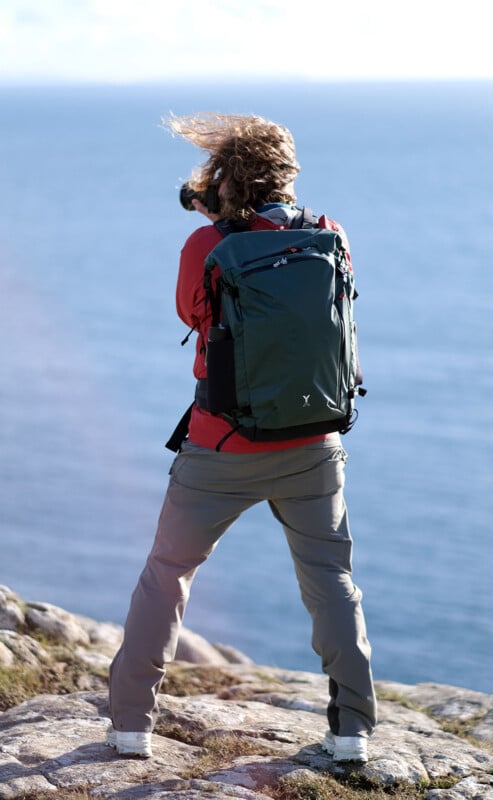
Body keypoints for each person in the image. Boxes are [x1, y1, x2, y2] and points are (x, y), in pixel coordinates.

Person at [107, 113, 377, 761]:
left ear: (224, 176)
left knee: (169, 573)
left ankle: (129, 728)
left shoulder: (207, 246)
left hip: (222, 447)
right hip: (315, 442)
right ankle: (352, 736)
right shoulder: (329, 235)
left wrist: (214, 222)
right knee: (332, 580)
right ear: (286, 171)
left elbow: (191, 312)